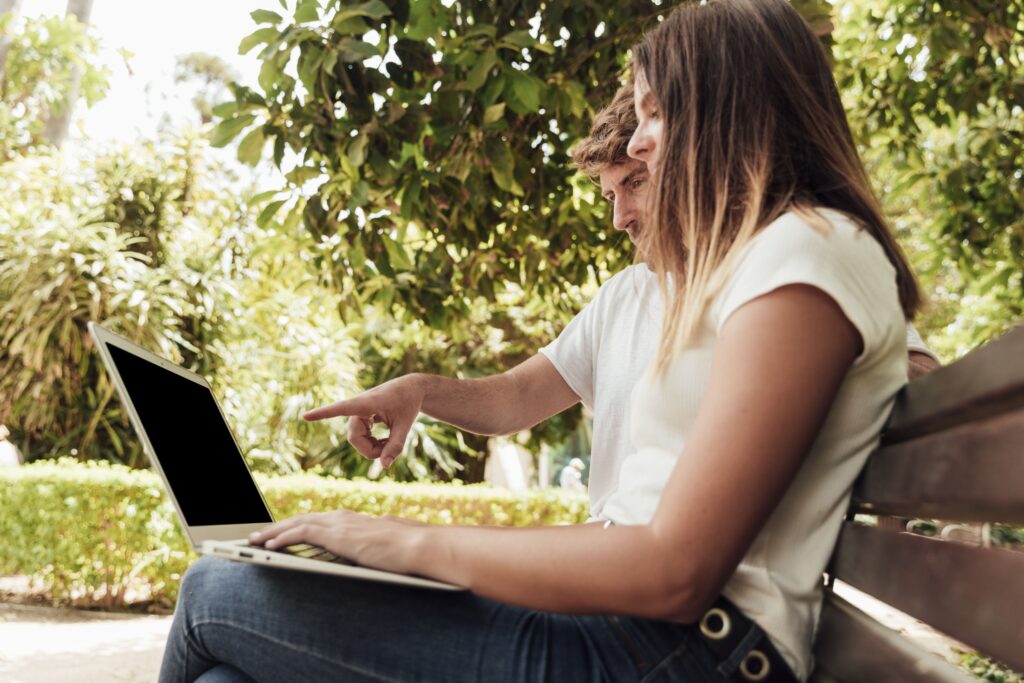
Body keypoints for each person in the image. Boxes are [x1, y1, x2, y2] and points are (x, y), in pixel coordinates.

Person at [161, 2, 934, 680]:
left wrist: (404, 541)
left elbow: (675, 569)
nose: (639, 144)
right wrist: (418, 426)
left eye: (657, 114)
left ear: (726, 110)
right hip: (642, 637)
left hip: (684, 652)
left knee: (214, 593)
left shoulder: (808, 253)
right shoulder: (756, 263)